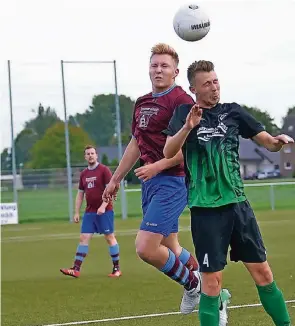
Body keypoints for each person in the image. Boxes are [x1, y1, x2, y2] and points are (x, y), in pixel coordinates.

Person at [163, 60, 295, 326]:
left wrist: (278, 142)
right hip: (206, 211)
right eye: (207, 84)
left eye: (216, 81)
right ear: (193, 88)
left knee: (264, 274)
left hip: (238, 207)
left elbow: (268, 143)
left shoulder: (233, 112)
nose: (214, 88)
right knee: (212, 284)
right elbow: (168, 151)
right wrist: (188, 126)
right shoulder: (184, 114)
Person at [103, 43, 201, 312]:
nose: (158, 70)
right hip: (151, 184)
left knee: (146, 247)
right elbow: (136, 143)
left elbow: (189, 149)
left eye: (164, 66)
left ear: (176, 71)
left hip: (173, 181)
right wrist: (115, 179)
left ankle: (194, 286)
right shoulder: (142, 102)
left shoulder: (182, 101)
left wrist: (157, 166)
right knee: (171, 245)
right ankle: (204, 277)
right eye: (154, 65)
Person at [60, 145, 121, 278]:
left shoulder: (104, 170)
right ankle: (75, 269)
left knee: (109, 237)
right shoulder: (84, 174)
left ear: (96, 155)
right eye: (88, 154)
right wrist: (76, 212)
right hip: (90, 212)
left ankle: (117, 269)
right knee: (83, 238)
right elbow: (80, 194)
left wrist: (103, 206)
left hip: (105, 211)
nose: (90, 155)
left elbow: (110, 190)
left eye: (92, 153)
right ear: (85, 157)